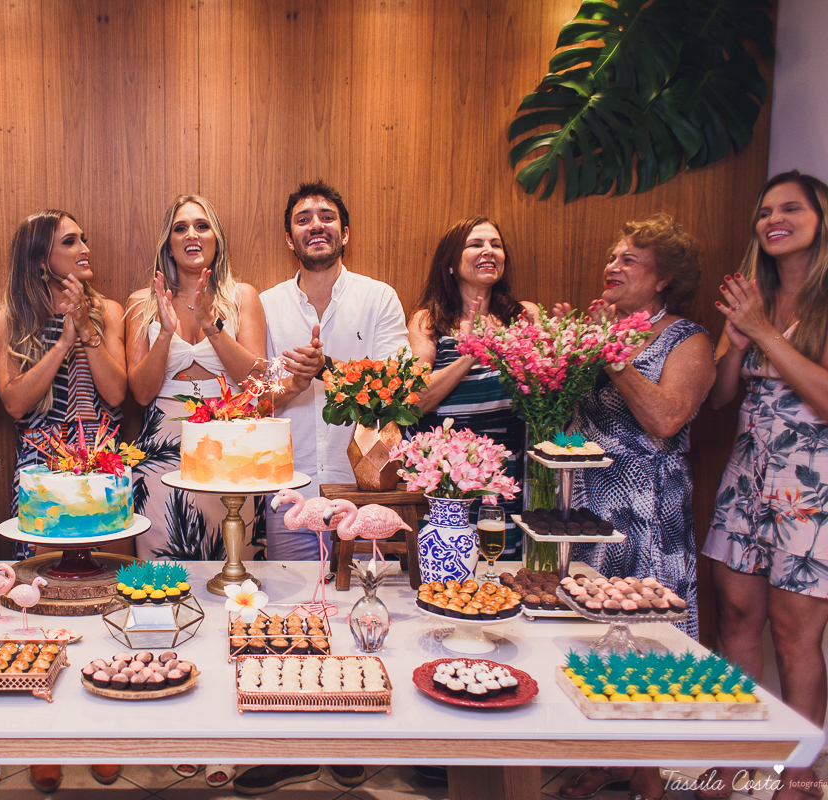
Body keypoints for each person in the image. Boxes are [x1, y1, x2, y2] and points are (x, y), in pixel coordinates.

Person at [233, 181, 408, 797]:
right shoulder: (269, 304)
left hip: (359, 486)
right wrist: (290, 379)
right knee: (291, 615)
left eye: (327, 218)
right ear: (289, 238)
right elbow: (256, 395)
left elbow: (395, 391)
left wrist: (331, 376)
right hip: (287, 486)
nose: (316, 226)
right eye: (303, 219)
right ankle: (288, 745)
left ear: (344, 232)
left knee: (358, 607)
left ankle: (353, 740)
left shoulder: (377, 299)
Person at [557, 213, 715, 800]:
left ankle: (651, 780)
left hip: (647, 512)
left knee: (644, 644)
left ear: (663, 280)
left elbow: (666, 419)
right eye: (613, 255)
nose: (612, 266)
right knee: (588, 638)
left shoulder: (686, 338)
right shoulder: (603, 328)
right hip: (589, 505)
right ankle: (608, 759)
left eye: (630, 260)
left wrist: (614, 356)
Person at [700, 171, 828, 800]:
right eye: (765, 212)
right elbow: (721, 399)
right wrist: (738, 336)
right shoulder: (755, 299)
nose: (773, 220)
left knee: (793, 634)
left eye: (790, 209)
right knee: (737, 620)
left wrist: (768, 333)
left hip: (812, 490)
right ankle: (733, 765)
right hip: (746, 479)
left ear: (820, 218)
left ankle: (798, 777)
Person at [0, 209, 126, 793]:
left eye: (84, 235)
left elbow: (118, 393)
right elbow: (16, 402)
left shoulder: (111, 311)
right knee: (43, 609)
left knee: (101, 609)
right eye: (71, 240)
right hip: (41, 474)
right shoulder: (9, 319)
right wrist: (61, 340)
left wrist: (87, 331)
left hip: (101, 471)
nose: (85, 245)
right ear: (42, 257)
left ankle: (103, 731)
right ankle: (46, 743)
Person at [126, 194, 268, 562]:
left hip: (228, 441)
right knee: (164, 562)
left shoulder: (242, 297)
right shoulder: (142, 302)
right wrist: (163, 333)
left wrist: (210, 324)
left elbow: (256, 385)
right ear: (168, 246)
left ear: (216, 239)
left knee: (232, 560)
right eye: (181, 228)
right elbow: (141, 394)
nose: (192, 234)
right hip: (161, 448)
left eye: (202, 226)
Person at [407, 216, 539, 558]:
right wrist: (470, 353)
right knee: (446, 573)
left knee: (503, 573)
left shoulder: (523, 317)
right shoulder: (428, 320)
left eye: (495, 244)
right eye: (476, 244)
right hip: (448, 480)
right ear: (450, 262)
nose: (489, 251)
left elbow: (543, 393)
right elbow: (415, 401)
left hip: (508, 474)